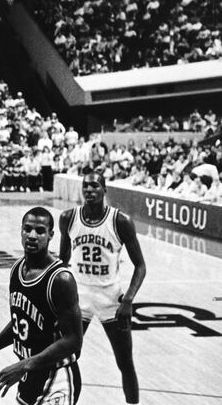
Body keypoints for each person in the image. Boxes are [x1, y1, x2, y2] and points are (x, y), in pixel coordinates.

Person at [59, 171, 147, 405]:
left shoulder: (120, 221)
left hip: (111, 297)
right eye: (86, 186)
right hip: (79, 297)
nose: (89, 190)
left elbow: (140, 266)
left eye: (95, 186)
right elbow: (62, 259)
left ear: (104, 190)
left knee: (125, 361)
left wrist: (128, 300)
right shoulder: (68, 217)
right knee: (65, 358)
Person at [0, 207, 83, 405]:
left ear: (51, 235)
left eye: (40, 231)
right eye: (27, 229)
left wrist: (25, 365)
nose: (32, 236)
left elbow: (74, 340)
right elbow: (21, 323)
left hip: (56, 377)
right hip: (30, 376)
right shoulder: (17, 269)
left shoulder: (61, 280)